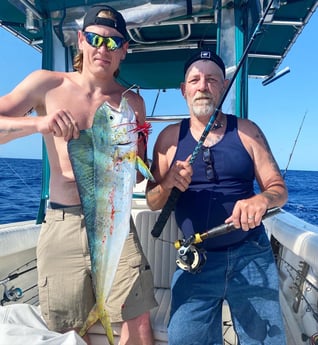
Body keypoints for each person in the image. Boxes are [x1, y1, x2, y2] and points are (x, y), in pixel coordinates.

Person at [0, 5, 157, 345]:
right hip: (63, 222)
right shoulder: (47, 84)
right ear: (81, 42)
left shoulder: (133, 103)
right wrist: (38, 123)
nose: (103, 48)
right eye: (95, 38)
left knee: (140, 322)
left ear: (125, 51)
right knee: (67, 332)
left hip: (116, 224)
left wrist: (150, 162)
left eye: (114, 42)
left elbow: (140, 175)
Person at [146, 50, 288, 345]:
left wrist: (261, 200)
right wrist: (167, 184)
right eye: (194, 80)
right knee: (184, 337)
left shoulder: (247, 131)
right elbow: (152, 201)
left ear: (223, 87)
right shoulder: (169, 139)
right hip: (196, 258)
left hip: (250, 253)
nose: (202, 86)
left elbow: (278, 189)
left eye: (211, 79)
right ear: (184, 90)